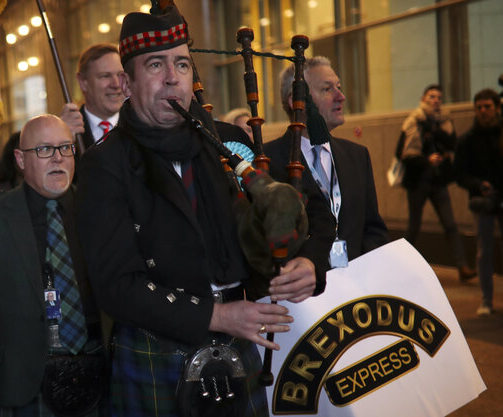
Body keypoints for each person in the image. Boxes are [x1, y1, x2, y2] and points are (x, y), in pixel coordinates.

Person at [76, 8, 316, 415]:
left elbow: (303, 217)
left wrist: (304, 262)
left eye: (182, 63)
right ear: (128, 83)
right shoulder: (106, 164)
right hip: (157, 353)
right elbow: (115, 286)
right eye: (156, 64)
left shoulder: (224, 143)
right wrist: (218, 315)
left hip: (239, 342)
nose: (173, 76)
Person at [0, 115, 105, 416]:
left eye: (65, 148)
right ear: (20, 159)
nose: (58, 158)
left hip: (97, 375)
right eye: (45, 149)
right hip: (20, 380)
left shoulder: (98, 210)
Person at [265, 57, 389, 293]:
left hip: (356, 294)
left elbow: (373, 229)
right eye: (326, 89)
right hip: (301, 300)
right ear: (296, 102)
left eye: (338, 87)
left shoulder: (357, 156)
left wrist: (370, 277)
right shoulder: (268, 161)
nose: (340, 96)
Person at [400, 84, 475, 281]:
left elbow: (452, 144)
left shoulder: (443, 121)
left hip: (438, 179)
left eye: (439, 98)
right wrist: (427, 160)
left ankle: (463, 267)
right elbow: (404, 154)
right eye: (432, 97)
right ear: (424, 99)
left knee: (450, 224)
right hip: (418, 181)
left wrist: (436, 131)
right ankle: (400, 266)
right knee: (414, 226)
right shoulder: (413, 121)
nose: (436, 101)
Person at [455, 88, 503, 316]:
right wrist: (478, 185)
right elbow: (460, 174)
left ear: (497, 108)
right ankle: (486, 300)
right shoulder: (467, 140)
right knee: (484, 251)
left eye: (487, 107)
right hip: (481, 201)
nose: (483, 111)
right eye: (479, 107)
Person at [59, 43, 125, 150]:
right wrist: (61, 139)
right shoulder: (68, 131)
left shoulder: (142, 127)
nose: (116, 84)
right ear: (83, 82)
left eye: (120, 75)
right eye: (105, 76)